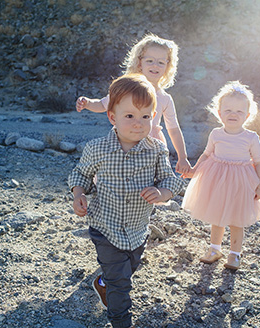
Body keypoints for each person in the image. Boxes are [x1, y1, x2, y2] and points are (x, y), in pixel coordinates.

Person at [68, 74, 185, 328]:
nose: (138, 123)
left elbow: (171, 180)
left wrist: (163, 193)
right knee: (122, 283)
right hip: (105, 228)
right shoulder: (97, 148)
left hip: (137, 230)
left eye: (145, 116)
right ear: (112, 117)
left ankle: (104, 283)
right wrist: (79, 194)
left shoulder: (156, 149)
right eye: (130, 116)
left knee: (126, 270)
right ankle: (121, 321)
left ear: (153, 117)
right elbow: (81, 175)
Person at [76, 33, 192, 175]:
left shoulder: (165, 98)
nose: (155, 65)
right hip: (125, 140)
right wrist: (87, 103)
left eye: (161, 62)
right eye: (150, 60)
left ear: (168, 66)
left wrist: (183, 157)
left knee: (150, 180)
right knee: (119, 175)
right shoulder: (126, 89)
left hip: (151, 146)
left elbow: (173, 129)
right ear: (139, 62)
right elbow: (102, 104)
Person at [182, 81, 260, 271]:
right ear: (219, 113)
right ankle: (214, 249)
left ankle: (235, 254)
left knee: (237, 219)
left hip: (242, 181)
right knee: (217, 215)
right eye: (228, 110)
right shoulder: (216, 133)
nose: (233, 115)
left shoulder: (251, 137)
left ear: (247, 115)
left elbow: (259, 162)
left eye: (239, 111)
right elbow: (206, 154)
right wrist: (195, 170)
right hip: (218, 179)